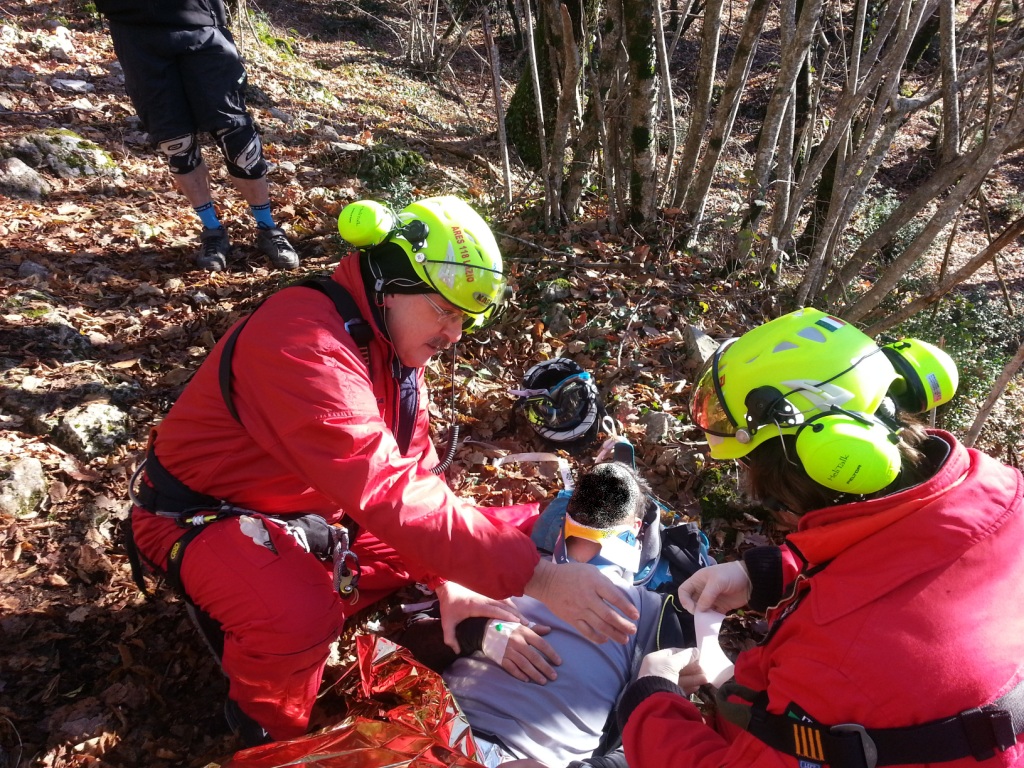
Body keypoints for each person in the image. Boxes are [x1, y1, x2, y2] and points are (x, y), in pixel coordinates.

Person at [124, 196, 638, 746]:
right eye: (445, 311)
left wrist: (451, 580)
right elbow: (385, 489)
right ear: (392, 284)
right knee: (296, 615)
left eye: (464, 319)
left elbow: (413, 471)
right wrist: (537, 579)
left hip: (313, 512)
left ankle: (451, 611)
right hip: (199, 518)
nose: (453, 334)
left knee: (489, 535)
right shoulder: (303, 341)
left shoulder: (386, 346)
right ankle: (269, 735)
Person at [616, 307, 1024, 767]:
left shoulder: (842, 662)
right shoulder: (1003, 495)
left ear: (826, 460)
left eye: (751, 464)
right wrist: (768, 575)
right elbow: (902, 560)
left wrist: (650, 699)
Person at [398, 461, 695, 768]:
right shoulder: (653, 612)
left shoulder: (509, 569)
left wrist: (479, 632)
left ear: (566, 519)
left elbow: (408, 646)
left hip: (425, 737)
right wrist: (480, 632)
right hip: (434, 735)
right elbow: (661, 737)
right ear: (636, 530)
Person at [96, 0, 299, 272]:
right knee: (175, 142)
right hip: (134, 31)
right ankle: (213, 231)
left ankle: (268, 228)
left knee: (237, 135)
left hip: (201, 23)